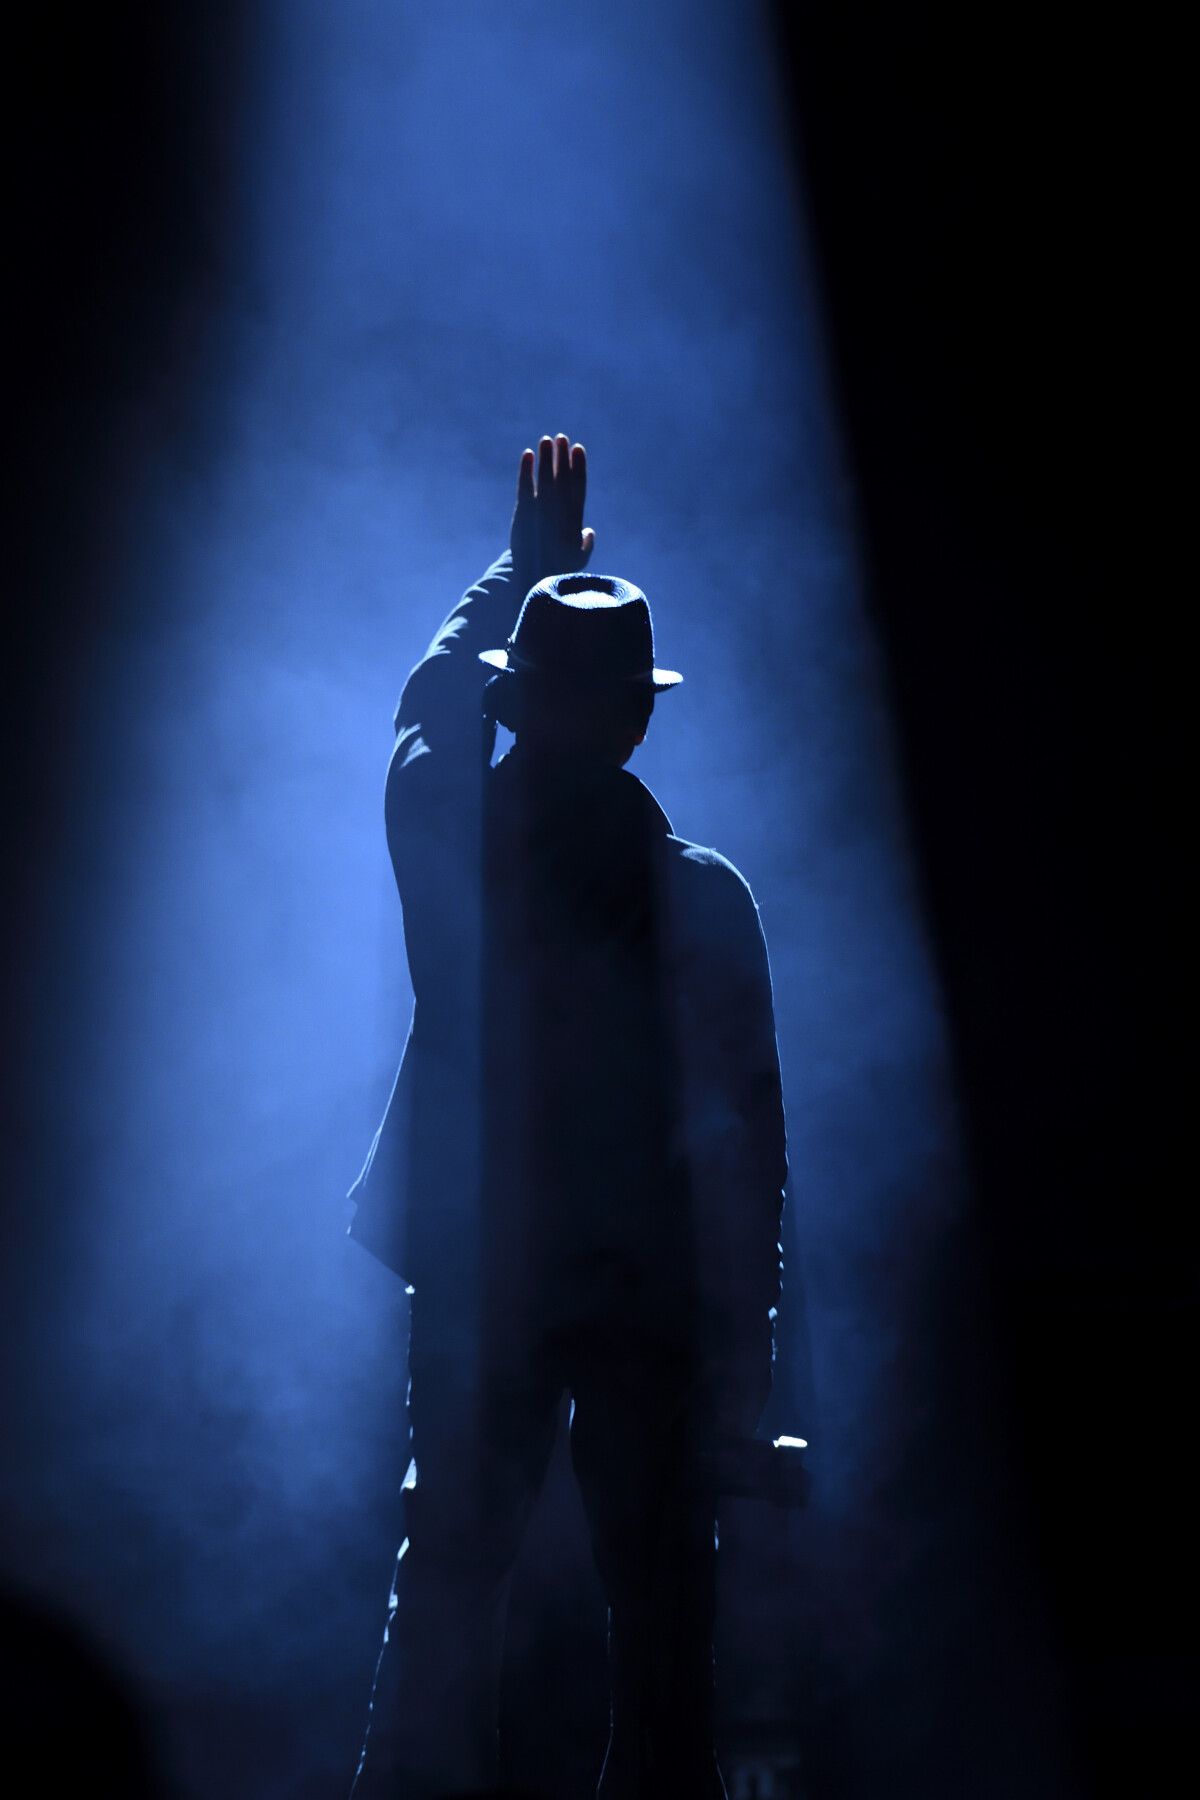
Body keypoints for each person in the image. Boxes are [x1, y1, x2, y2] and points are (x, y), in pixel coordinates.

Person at [347, 436, 788, 1799]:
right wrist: (745, 1365)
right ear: (640, 719)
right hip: (649, 1291)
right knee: (663, 1631)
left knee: (448, 1598)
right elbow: (752, 1156)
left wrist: (518, 570)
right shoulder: (703, 898)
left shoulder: (454, 846)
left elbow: (427, 704)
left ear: (517, 703)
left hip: (486, 1273)